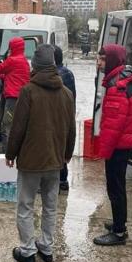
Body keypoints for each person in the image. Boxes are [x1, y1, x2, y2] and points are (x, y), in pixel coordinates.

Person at [6, 44, 76, 262]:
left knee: (25, 205)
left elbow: (18, 127)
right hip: (55, 160)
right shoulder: (66, 93)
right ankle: (46, 248)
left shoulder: (28, 91)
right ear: (54, 65)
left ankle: (27, 251)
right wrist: (67, 154)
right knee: (50, 205)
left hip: (31, 161)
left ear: (35, 66)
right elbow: (71, 128)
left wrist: (11, 153)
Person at [93, 44, 132, 247]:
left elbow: (114, 125)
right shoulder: (125, 76)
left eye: (103, 59)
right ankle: (118, 222)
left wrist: (104, 151)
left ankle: (120, 232)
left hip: (119, 145)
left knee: (115, 186)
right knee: (117, 185)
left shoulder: (117, 86)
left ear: (112, 60)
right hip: (125, 141)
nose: (99, 63)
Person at [0, 37, 30, 152]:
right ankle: (18, 151)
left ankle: (7, 154)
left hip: (12, 99)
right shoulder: (23, 60)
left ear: (13, 47)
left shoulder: (12, 60)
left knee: (7, 126)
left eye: (10, 47)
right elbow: (17, 76)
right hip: (21, 98)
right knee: (17, 125)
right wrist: (3, 76)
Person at [53, 45, 76, 192]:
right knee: (62, 148)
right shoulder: (69, 73)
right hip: (67, 116)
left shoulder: (55, 75)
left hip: (55, 117)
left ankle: (53, 181)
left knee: (53, 149)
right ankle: (63, 180)